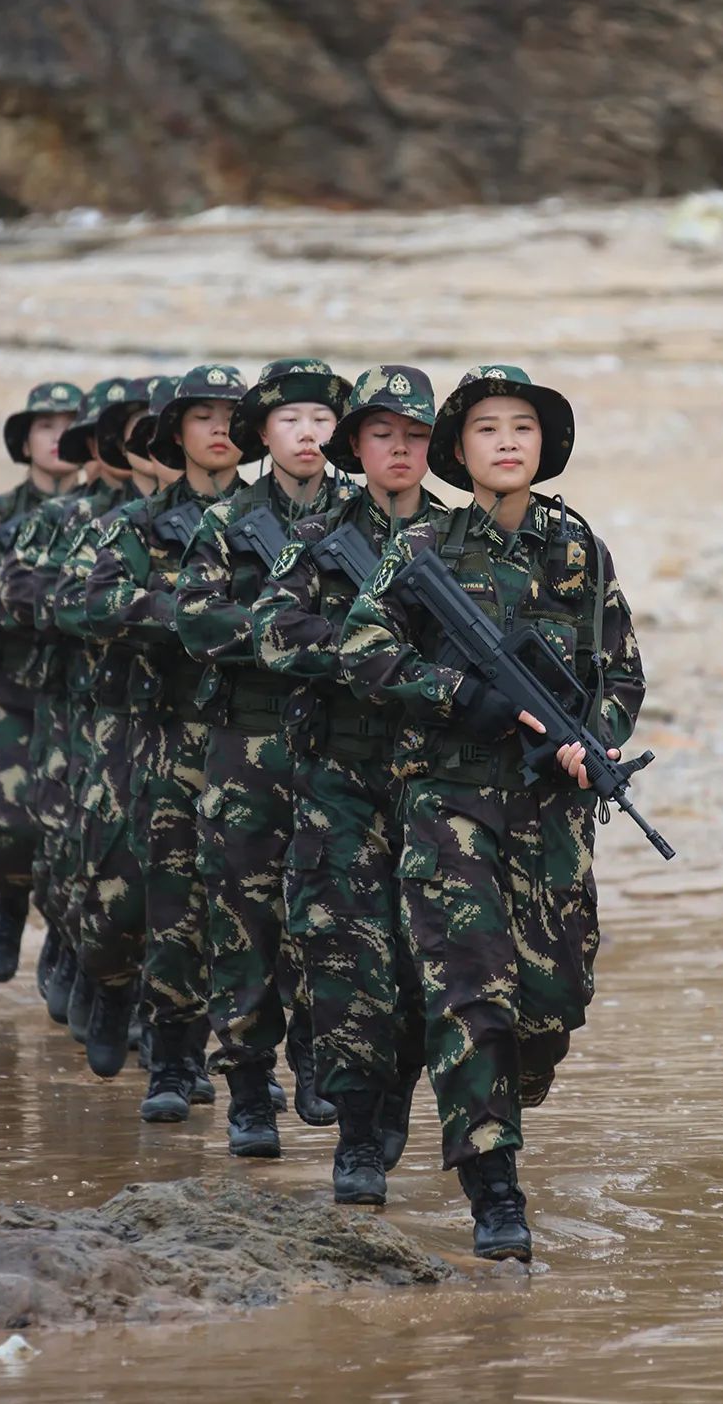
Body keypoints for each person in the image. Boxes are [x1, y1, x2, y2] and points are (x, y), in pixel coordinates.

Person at [340, 364, 646, 1261]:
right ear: (458, 449)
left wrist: (597, 738)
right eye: (486, 428)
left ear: (545, 445)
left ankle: (482, 1085)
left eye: (523, 426)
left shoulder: (577, 545)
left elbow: (622, 668)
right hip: (451, 800)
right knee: (471, 994)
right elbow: (362, 648)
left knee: (552, 1002)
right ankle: (495, 1194)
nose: (508, 440)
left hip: (553, 808)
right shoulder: (425, 542)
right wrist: (457, 697)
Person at [250, 365, 438, 1204]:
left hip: (438, 783)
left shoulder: (460, 538)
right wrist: (378, 663)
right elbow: (274, 635)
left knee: (422, 960)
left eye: (415, 436)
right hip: (340, 779)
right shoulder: (323, 532)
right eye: (381, 435)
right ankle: (357, 1135)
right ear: (353, 445)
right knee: (343, 955)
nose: (398, 449)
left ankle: (398, 1082)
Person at [175, 358, 353, 1157]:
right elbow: (199, 626)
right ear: (264, 435)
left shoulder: (367, 521)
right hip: (246, 743)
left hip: (339, 743)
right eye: (290, 421)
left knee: (332, 906)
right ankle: (247, 1084)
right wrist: (302, 642)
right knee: (242, 910)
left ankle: (315, 1047)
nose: (308, 433)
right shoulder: (226, 521)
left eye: (322, 420)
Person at [85, 366, 245, 1122]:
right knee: (168, 898)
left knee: (253, 905)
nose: (218, 427)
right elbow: (99, 605)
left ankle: (251, 1063)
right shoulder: (143, 524)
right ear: (173, 434)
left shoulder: (273, 522)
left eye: (231, 414)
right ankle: (171, 1052)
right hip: (166, 734)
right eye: (201, 415)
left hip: (254, 739)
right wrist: (198, 614)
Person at [0, 379, 138, 1030]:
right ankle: (77, 951)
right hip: (70, 702)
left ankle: (166, 1028)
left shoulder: (194, 520)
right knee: (67, 840)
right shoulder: (64, 521)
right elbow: (13, 593)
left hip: (169, 711)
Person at [53, 378, 169, 1072]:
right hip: (108, 718)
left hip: (211, 728)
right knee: (108, 870)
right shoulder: (100, 524)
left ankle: (182, 1046)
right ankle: (108, 983)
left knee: (204, 891)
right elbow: (71, 602)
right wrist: (176, 613)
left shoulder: (238, 521)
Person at [0, 381, 82, 984]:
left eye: (69, 425)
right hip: (10, 691)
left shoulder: (103, 514)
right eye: (44, 426)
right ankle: (8, 898)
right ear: (25, 441)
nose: (57, 437)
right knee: (12, 826)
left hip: (79, 693)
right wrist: (47, 599)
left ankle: (65, 937)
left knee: (75, 832)